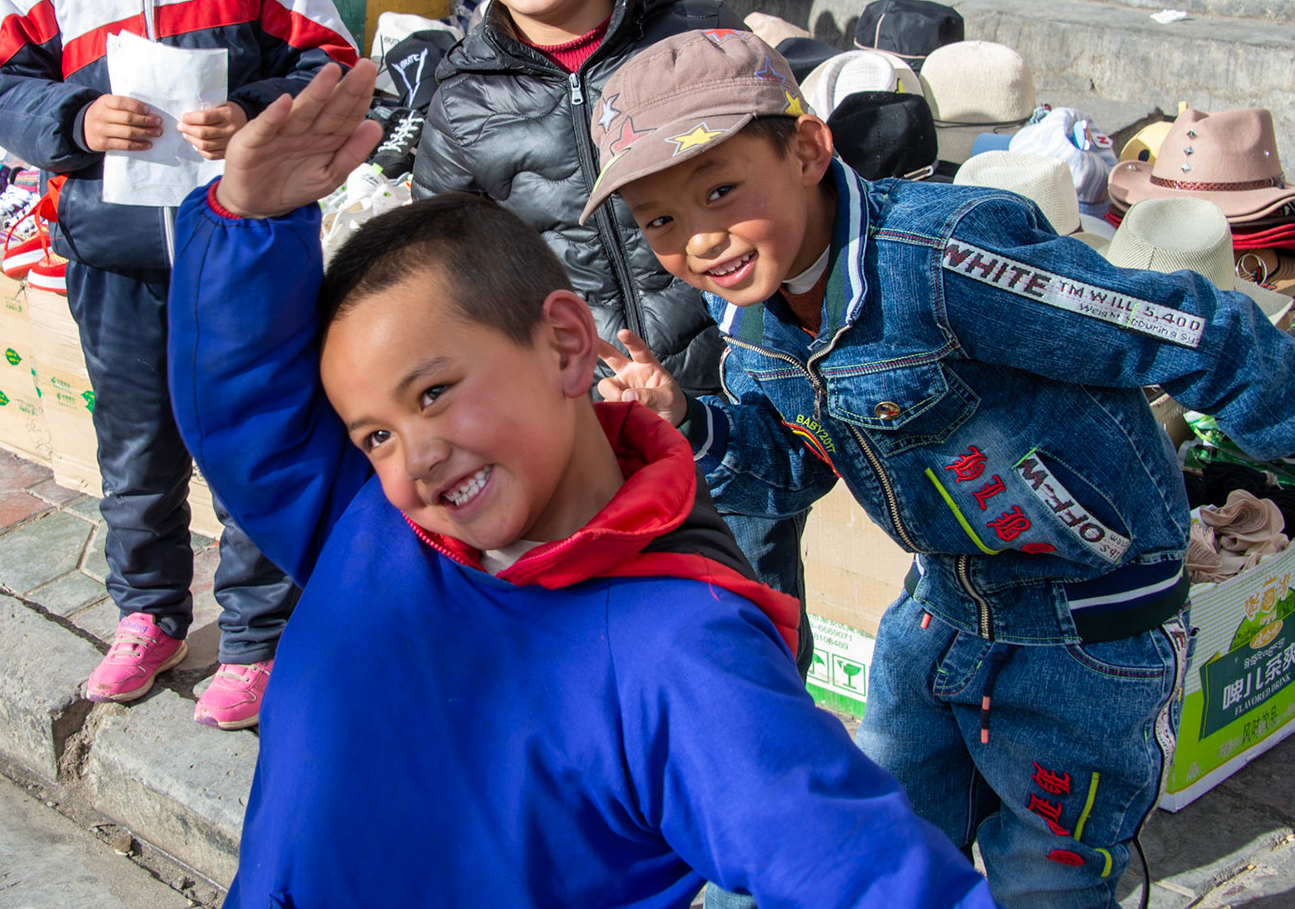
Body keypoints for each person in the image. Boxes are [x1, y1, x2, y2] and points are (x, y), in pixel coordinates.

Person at [165, 57, 997, 909]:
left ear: (566, 345)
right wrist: (246, 225)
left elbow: (866, 877)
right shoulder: (368, 520)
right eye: (374, 434)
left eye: (435, 393)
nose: (413, 457)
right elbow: (247, 413)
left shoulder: (679, 647)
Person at [587, 29, 1295, 909]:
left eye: (720, 191)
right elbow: (791, 472)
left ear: (808, 150)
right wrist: (689, 422)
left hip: (1090, 628)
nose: (701, 239)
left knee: (1049, 873)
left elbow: (1179, 326)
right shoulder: (750, 327)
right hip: (944, 606)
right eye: (661, 220)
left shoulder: (946, 258)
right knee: (883, 840)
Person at [0, 0, 357, 728]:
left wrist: (255, 111)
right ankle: (149, 613)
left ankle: (260, 636)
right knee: (136, 445)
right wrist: (76, 119)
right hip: (116, 257)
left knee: (250, 441)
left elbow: (331, 67)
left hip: (244, 255)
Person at [413, 0, 816, 604]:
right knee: (601, 626)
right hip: (580, 423)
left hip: (728, 406)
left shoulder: (704, 42)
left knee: (747, 614)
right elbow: (448, 281)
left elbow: (796, 194)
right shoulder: (459, 101)